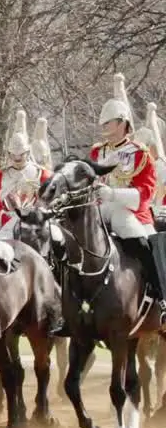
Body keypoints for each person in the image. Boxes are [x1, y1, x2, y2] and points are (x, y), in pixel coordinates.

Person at [90, 73, 166, 320]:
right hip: (99, 209)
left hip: (130, 211)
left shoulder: (140, 154)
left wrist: (113, 193)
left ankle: (160, 296)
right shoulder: (97, 152)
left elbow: (144, 194)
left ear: (122, 123)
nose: (104, 128)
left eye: (108, 123)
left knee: (143, 242)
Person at [0, 110, 49, 240]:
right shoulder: (1, 174)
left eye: (20, 155)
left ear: (27, 153)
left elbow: (47, 199)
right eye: (13, 155)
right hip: (5, 222)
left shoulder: (40, 173)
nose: (16, 158)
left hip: (33, 223)